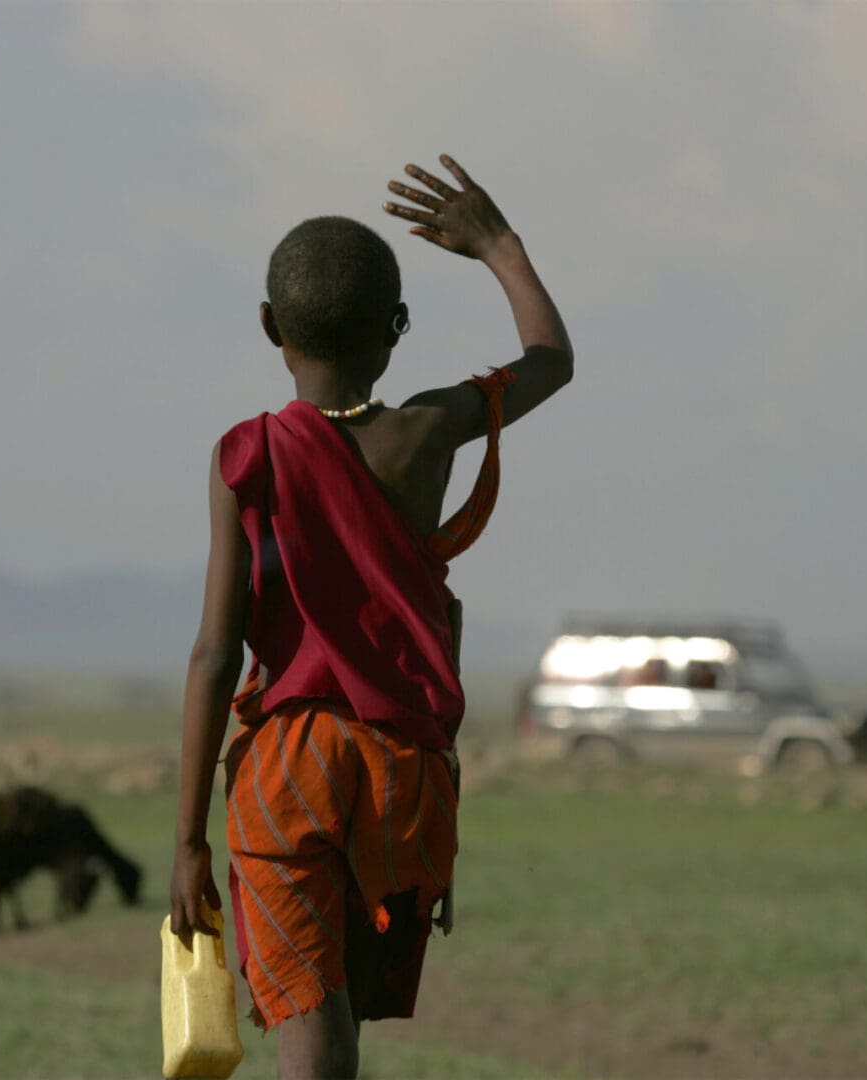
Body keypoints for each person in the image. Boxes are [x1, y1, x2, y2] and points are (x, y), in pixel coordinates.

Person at [169, 154, 572, 1080]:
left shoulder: (249, 455)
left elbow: (211, 655)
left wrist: (190, 839)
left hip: (290, 770)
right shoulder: (428, 432)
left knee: (308, 1018)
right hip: (402, 769)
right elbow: (552, 361)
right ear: (398, 329)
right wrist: (498, 247)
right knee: (342, 1009)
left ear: (272, 327)